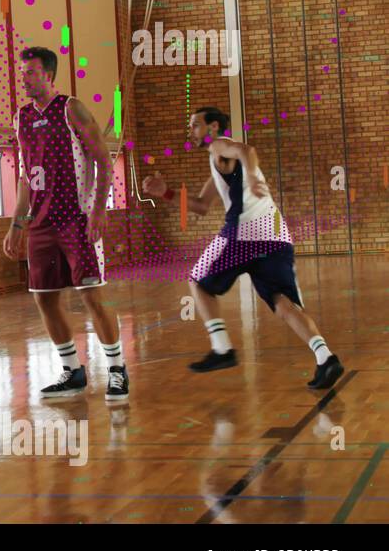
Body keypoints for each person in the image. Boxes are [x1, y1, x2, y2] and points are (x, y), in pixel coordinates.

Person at [142, 106, 344, 389]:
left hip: (245, 231)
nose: (191, 131)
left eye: (195, 125)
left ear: (213, 128)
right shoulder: (218, 163)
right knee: (283, 303)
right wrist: (166, 193)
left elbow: (247, 151)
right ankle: (326, 357)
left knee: (197, 281)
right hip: (275, 233)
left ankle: (222, 348)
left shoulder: (220, 147)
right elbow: (200, 206)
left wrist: (249, 175)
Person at [2, 47, 128, 400]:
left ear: (48, 74)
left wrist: (100, 211)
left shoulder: (71, 108)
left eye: (30, 72)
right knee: (44, 299)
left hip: (77, 219)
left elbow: (104, 160)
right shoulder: (21, 117)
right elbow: (26, 177)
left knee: (91, 295)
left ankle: (117, 370)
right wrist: (16, 224)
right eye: (22, 72)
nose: (23, 78)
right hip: (40, 224)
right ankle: (72, 371)